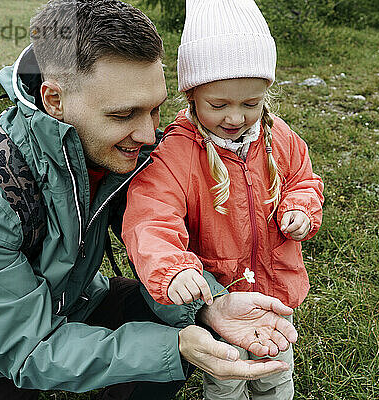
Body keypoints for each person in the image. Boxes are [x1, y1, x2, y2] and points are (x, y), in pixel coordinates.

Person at [0, 1, 299, 399]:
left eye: (155, 110)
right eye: (123, 115)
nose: (147, 136)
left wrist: (210, 307)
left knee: (184, 325)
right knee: (168, 346)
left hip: (79, 298)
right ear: (54, 100)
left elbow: (151, 232)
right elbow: (27, 349)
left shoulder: (118, 150)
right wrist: (173, 348)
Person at [121, 0, 325, 399]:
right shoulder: (176, 151)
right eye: (219, 105)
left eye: (251, 104)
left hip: (274, 290)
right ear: (192, 95)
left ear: (266, 93)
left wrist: (299, 207)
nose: (235, 117)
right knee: (227, 374)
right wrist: (172, 268)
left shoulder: (278, 137)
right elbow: (150, 216)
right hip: (222, 296)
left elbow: (304, 179)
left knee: (275, 368)